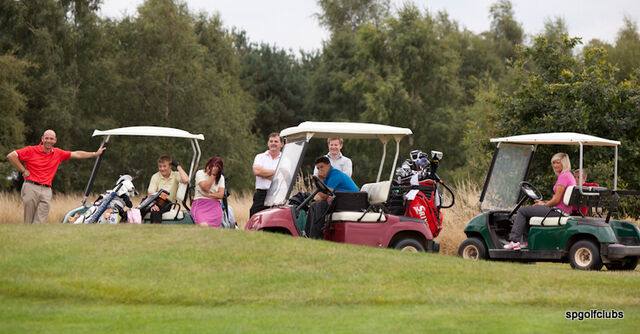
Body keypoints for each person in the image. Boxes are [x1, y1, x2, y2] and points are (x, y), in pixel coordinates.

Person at [6, 129, 106, 224]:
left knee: (40, 220)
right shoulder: (31, 150)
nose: (49, 141)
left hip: (46, 190)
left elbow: (76, 154)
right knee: (29, 220)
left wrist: (94, 154)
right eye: (47, 138)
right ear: (42, 139)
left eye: (51, 139)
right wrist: (23, 170)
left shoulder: (57, 153)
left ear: (55, 140)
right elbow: (11, 156)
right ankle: (27, 239)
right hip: (31, 187)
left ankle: (37, 239)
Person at [505, 153, 577, 250]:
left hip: (557, 211)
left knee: (522, 211)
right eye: (553, 163)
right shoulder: (569, 176)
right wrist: (543, 203)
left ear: (564, 163)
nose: (555, 165)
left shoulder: (564, 176)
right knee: (528, 211)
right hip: (559, 210)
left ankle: (514, 241)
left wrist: (544, 204)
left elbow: (556, 200)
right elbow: (558, 199)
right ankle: (526, 242)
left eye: (558, 163)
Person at [307, 156, 359, 239]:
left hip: (351, 202)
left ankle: (316, 237)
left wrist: (320, 178)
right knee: (314, 205)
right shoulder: (327, 177)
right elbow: (322, 194)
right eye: (318, 168)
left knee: (320, 205)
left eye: (322, 167)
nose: (320, 170)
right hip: (342, 201)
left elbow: (323, 196)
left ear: (329, 165)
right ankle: (308, 234)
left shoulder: (335, 174)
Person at [146, 155, 189, 223]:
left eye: (164, 166)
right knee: (139, 209)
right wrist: (152, 204)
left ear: (170, 166)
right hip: (153, 199)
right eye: (160, 166)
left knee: (155, 211)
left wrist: (178, 166)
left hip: (166, 201)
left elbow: (186, 180)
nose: (162, 169)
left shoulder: (175, 175)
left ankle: (155, 230)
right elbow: (150, 193)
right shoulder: (155, 176)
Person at [250, 133, 283, 217]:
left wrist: (263, 173)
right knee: (254, 217)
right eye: (271, 141)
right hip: (261, 195)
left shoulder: (285, 159)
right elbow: (257, 171)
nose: (273, 143)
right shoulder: (260, 157)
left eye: (276, 141)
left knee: (274, 221)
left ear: (281, 144)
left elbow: (283, 178)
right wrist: (277, 172)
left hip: (277, 195)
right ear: (268, 143)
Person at [191, 157, 225, 227]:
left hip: (215, 206)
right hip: (200, 204)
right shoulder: (200, 173)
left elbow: (221, 195)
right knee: (203, 225)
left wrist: (207, 195)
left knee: (215, 229)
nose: (209, 170)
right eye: (210, 168)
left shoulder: (221, 178)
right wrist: (213, 175)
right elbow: (205, 187)